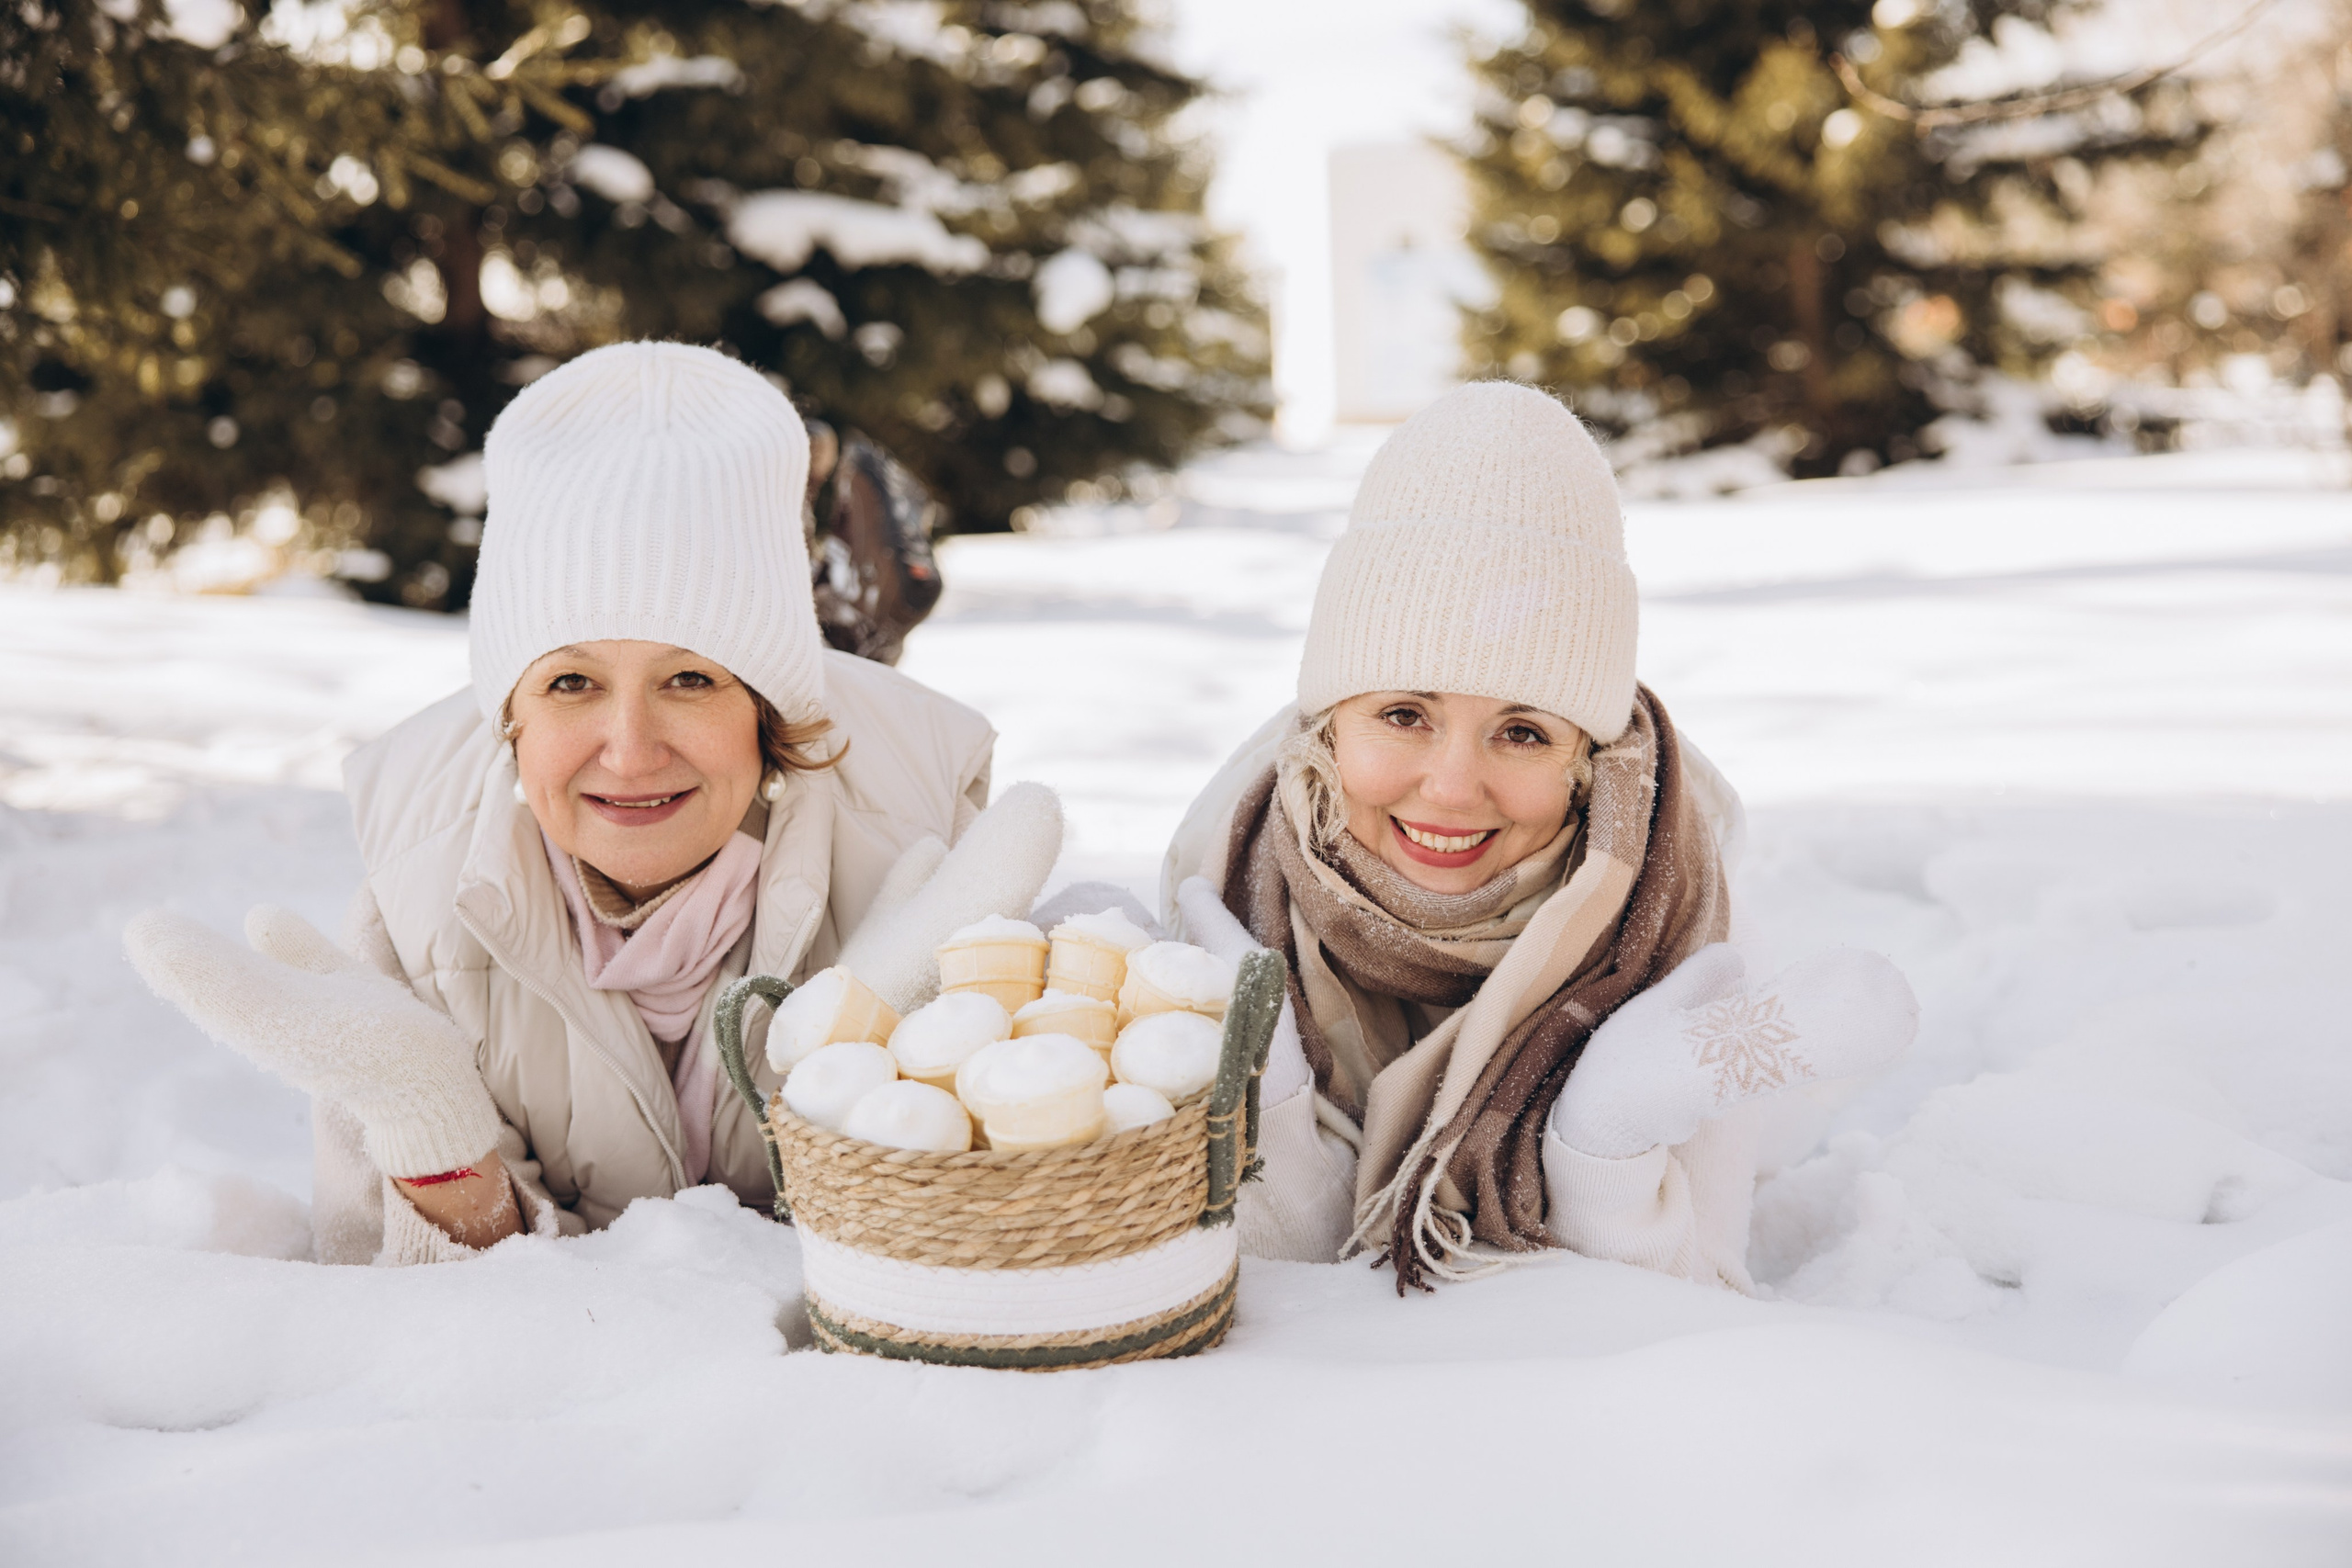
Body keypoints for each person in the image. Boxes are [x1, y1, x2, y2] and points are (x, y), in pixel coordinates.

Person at [126, 342, 1061, 1265]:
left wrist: (882, 1066)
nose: (630, 749)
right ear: (511, 718)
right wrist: (436, 1143)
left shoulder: (927, 872)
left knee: (848, 721)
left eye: (692, 678)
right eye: (570, 683)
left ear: (762, 710)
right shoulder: (414, 920)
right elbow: (398, 1338)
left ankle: (839, 617)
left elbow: (1023, 1225)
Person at [1160, 382, 1918, 1292]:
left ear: (1590, 761)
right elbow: (1222, 1304)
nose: (1449, 788)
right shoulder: (1228, 897)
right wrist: (1273, 1109)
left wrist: (1603, 1142)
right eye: (1403, 714)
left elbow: (1697, 1305)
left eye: (1522, 732)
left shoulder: (1672, 926)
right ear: (1327, 725)